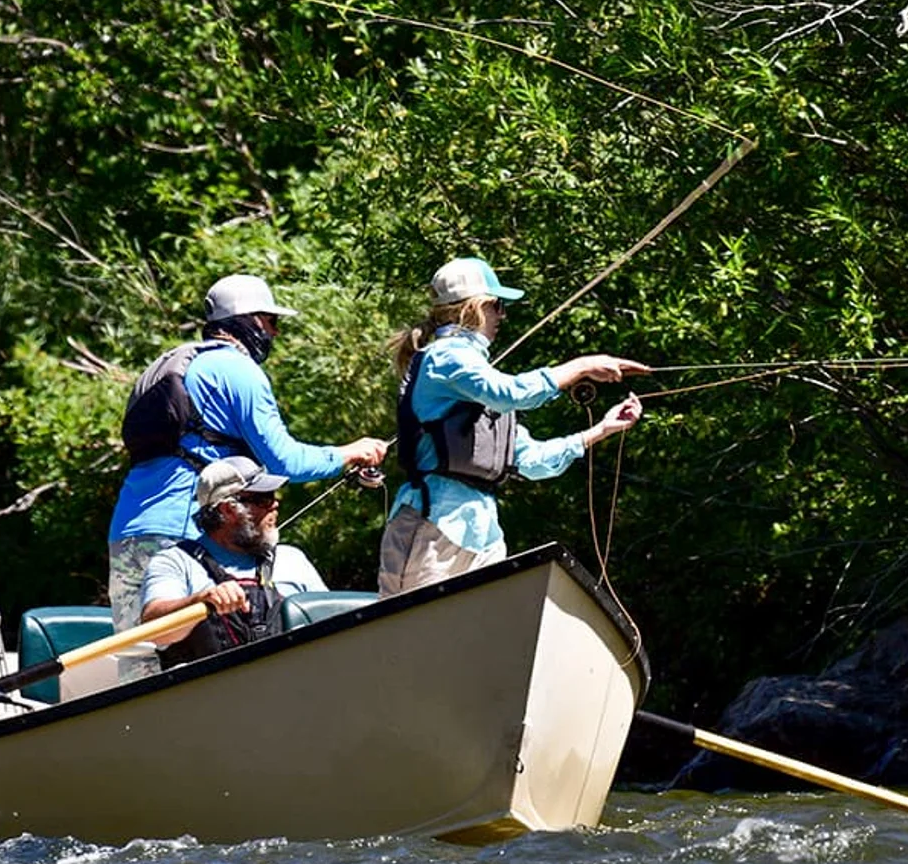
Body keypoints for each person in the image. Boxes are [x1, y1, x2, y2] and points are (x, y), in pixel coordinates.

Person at [107, 273, 388, 644]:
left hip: (128, 531)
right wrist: (350, 453)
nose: (275, 333)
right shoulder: (238, 369)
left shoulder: (168, 364)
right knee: (204, 659)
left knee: (136, 660)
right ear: (250, 320)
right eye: (272, 322)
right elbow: (284, 461)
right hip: (186, 531)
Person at [377, 255, 647, 596]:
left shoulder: (478, 377)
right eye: (498, 305)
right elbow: (512, 393)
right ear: (473, 308)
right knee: (412, 638)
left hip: (482, 533)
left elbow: (532, 460)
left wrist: (604, 429)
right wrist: (582, 365)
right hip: (432, 524)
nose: (503, 315)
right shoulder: (446, 357)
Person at [139, 457, 328, 665]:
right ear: (228, 509)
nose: (275, 504)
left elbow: (334, 623)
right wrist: (201, 600)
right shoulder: (175, 561)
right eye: (263, 499)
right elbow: (154, 629)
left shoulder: (293, 559)